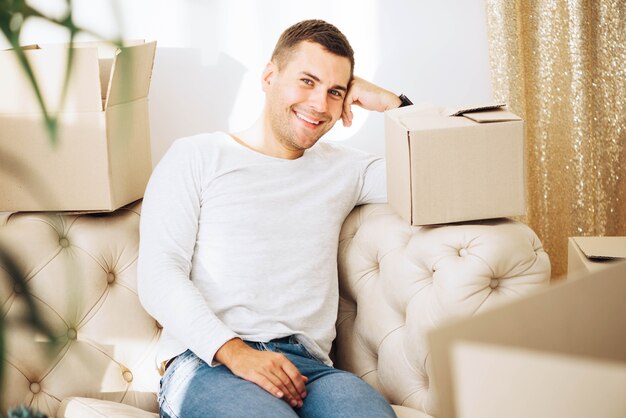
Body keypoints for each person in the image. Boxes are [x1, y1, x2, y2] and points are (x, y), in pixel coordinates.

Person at [138, 19, 408, 418]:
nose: (320, 104)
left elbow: (439, 177)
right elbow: (158, 275)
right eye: (307, 81)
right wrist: (237, 353)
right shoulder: (196, 156)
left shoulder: (346, 169)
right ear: (269, 76)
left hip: (312, 370)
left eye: (335, 91)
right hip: (208, 362)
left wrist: (393, 105)